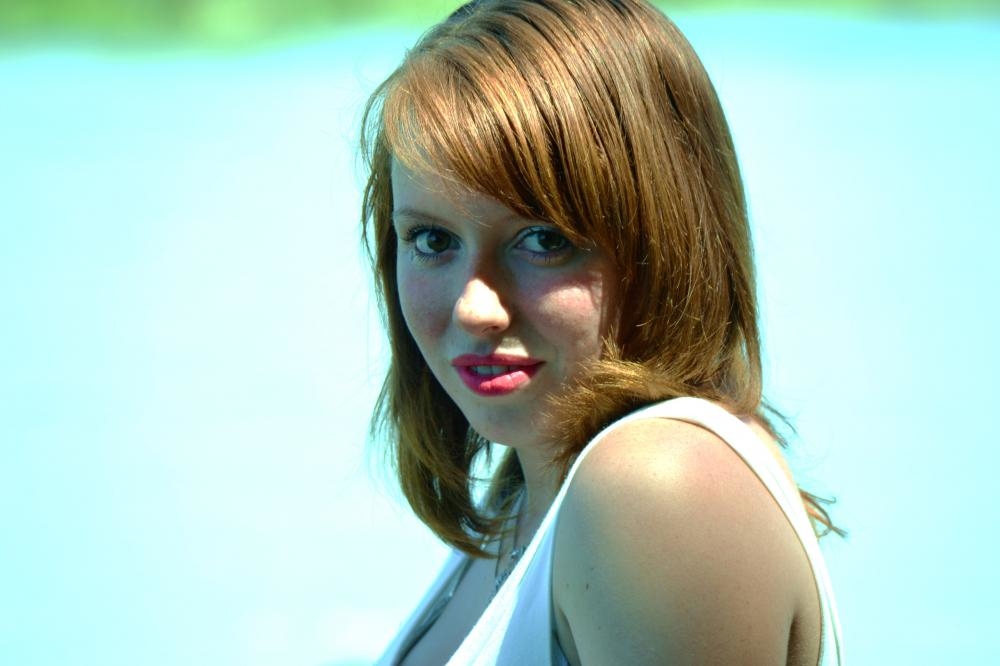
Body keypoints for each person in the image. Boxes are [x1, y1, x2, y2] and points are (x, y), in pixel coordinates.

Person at [360, 0, 843, 663]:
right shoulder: (526, 490)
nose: (474, 308)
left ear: (665, 238)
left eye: (543, 240)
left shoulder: (654, 488)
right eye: (433, 240)